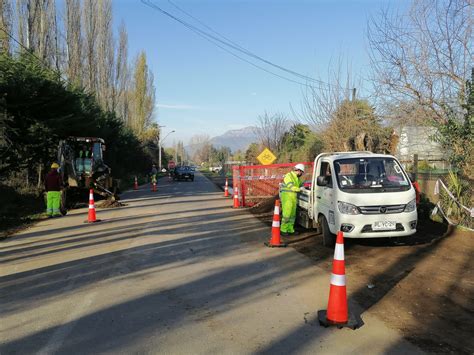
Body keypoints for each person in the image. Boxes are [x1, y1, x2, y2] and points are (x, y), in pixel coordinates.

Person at [280, 163, 305, 236]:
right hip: (287, 197)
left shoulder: (297, 178)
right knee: (287, 214)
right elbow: (291, 187)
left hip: (293, 197)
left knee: (292, 215)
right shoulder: (289, 176)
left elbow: (301, 184)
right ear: (298, 170)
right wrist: (299, 189)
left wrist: (305, 186)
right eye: (301, 172)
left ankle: (290, 229)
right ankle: (283, 229)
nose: (301, 174)